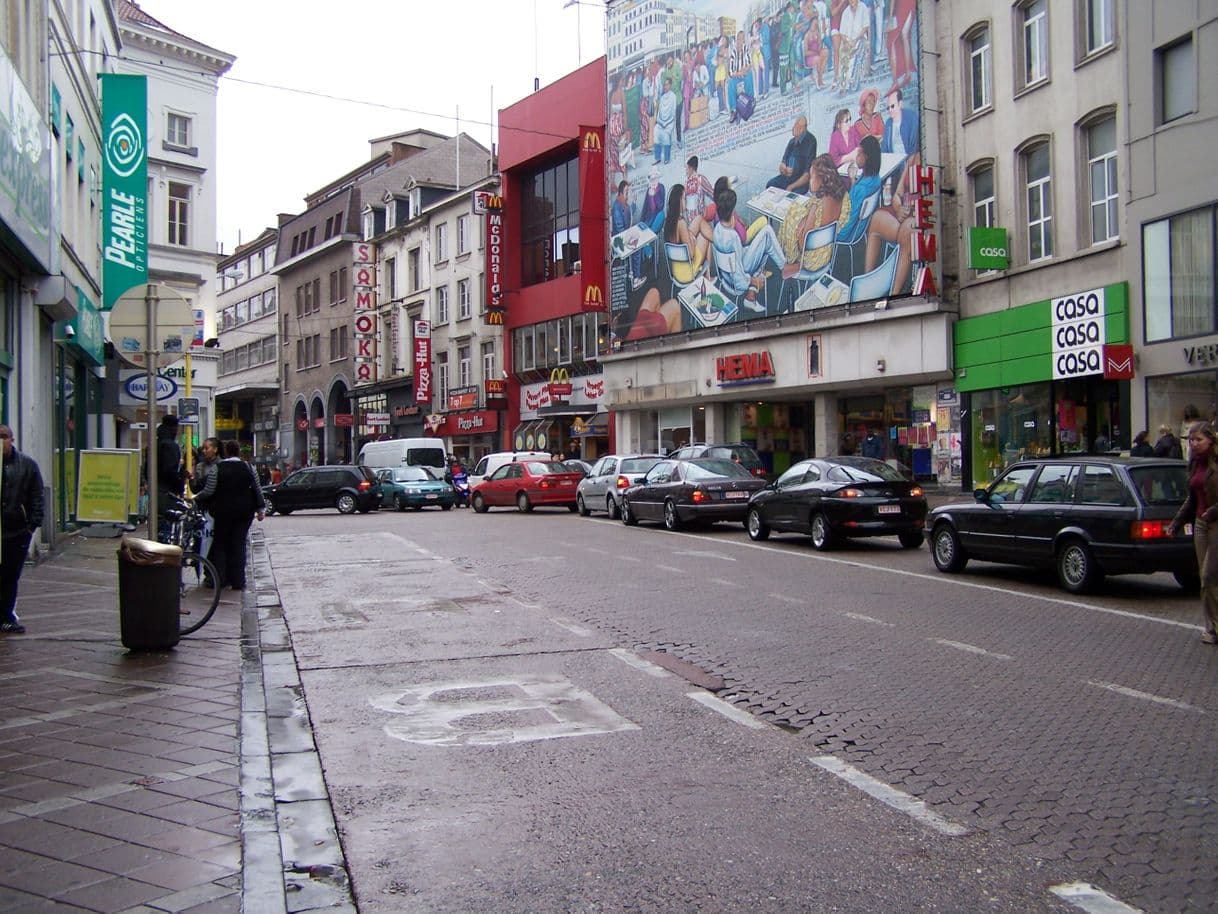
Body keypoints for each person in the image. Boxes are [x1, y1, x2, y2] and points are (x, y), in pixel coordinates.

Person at [1168, 422, 1218, 644]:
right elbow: (1191, 498)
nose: (1194, 444)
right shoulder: (1194, 464)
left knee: (1210, 575)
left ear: (1211, 440)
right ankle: (1211, 627)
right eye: (1191, 440)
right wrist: (1176, 523)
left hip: (1216, 522)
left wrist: (1213, 511)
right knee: (1204, 578)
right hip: (1200, 524)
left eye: (1199, 440)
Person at [202, 439, 265, 591]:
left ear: (226, 451)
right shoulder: (249, 467)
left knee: (221, 544)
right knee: (239, 543)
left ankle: (221, 579)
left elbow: (209, 490)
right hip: (244, 512)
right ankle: (238, 581)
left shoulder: (217, 468)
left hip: (223, 512)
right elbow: (257, 487)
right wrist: (260, 509)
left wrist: (197, 497)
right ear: (238, 452)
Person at [711, 188, 785, 313]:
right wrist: (752, 280)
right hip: (737, 280)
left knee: (762, 248)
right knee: (767, 232)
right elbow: (738, 274)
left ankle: (751, 296)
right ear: (731, 212)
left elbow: (734, 257)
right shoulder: (732, 236)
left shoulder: (717, 229)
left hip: (725, 276)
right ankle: (784, 266)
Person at [778, 155, 851, 279]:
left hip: (811, 262)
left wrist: (800, 223)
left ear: (821, 179)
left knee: (794, 215)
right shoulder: (843, 196)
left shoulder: (817, 206)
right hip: (827, 255)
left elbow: (803, 244)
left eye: (812, 177)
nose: (810, 180)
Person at [0, 425, 43, 634]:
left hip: (16, 531)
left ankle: (6, 616)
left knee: (10, 576)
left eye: (4, 437)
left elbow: (37, 496)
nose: (1, 442)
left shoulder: (26, 465)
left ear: (12, 439)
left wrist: (31, 526)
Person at [151, 414, 183, 542]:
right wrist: (180, 482)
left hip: (155, 492)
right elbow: (170, 471)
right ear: (173, 428)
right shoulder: (170, 445)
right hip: (166, 493)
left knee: (159, 529)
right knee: (166, 530)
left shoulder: (155, 443)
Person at [766, 116, 817, 190]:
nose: (793, 128)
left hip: (800, 182)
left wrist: (791, 187)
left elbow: (807, 174)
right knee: (770, 184)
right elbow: (782, 164)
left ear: (802, 128)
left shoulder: (811, 141)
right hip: (787, 178)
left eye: (796, 126)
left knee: (790, 195)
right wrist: (783, 168)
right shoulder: (792, 141)